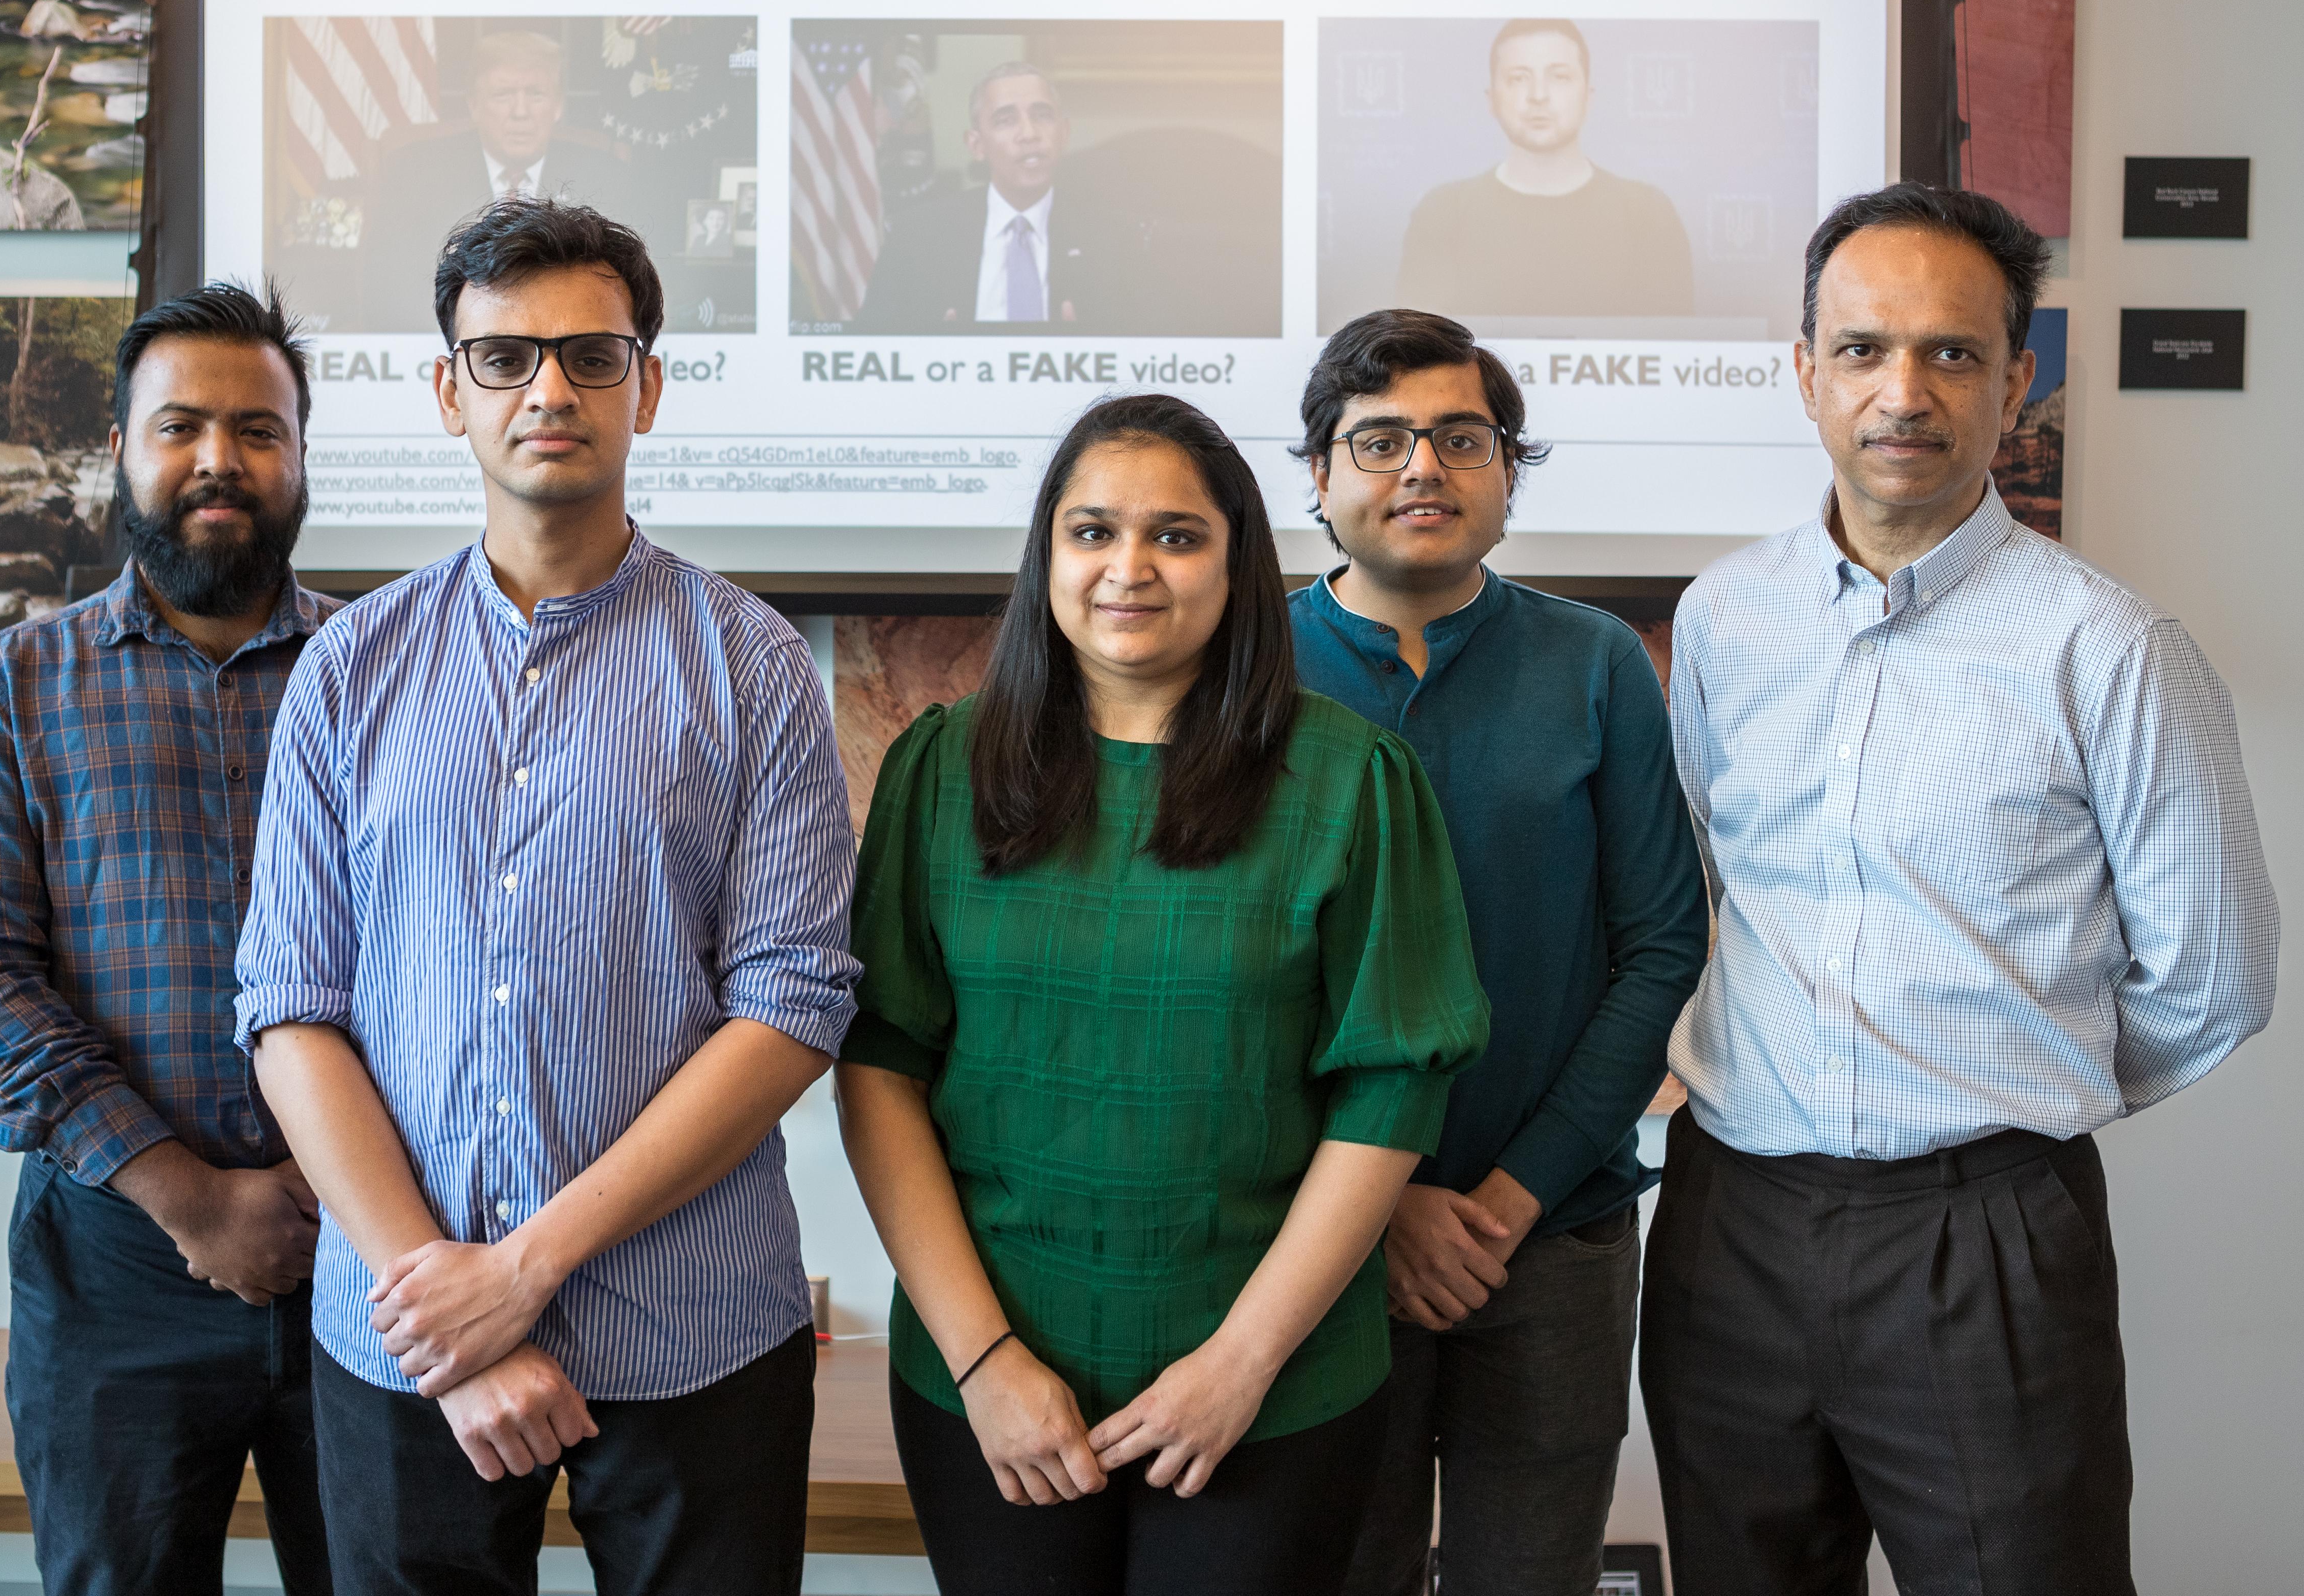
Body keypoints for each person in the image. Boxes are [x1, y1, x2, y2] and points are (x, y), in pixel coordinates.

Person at [1646, 182, 2280, 1595]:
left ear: (2016, 381)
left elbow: (2213, 977)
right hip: (1726, 1228)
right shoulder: (1720, 617)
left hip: (1984, 1237)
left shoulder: (2106, 647)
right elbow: (1707, 883)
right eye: (1862, 349)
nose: (1902, 390)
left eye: (1949, 351)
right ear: (1803, 371)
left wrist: (2005, 1092)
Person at [235, 198, 859, 1595]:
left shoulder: (753, 666)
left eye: (590, 354)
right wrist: (444, 1303)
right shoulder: (348, 670)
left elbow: (792, 1003)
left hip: (691, 1323)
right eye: (506, 358)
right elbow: (290, 1007)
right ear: (449, 390)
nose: (550, 390)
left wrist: (521, 1270)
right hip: (401, 1333)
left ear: (646, 383)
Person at [835, 392, 1491, 1596]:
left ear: (1237, 562)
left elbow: (1390, 1091)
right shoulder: (942, 767)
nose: (1127, 567)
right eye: (1090, 532)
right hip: (991, 1377)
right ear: (1045, 558)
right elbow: (880, 1062)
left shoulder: (1353, 779)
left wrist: (1238, 1362)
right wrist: (984, 1360)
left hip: (1269, 1386)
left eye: (1176, 536)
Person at [1283, 309, 1713, 1596]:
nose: (1423, 467)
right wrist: (1377, 1200)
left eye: (1461, 438)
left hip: (1554, 1237)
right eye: (1381, 440)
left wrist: (1512, 1193)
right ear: (1317, 474)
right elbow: (1218, 978)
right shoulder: (1243, 669)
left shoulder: (1592, 663)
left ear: (1508, 471)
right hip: (1307, 1242)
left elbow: (1660, 945)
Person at [0, 282, 334, 1596]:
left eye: (258, 428)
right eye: (182, 426)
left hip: (371, 1265)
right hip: (113, 1273)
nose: (220, 458)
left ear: (302, 454)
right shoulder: (9, 687)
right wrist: (192, 1194)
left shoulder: (382, 670)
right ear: (119, 449)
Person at [1396, 20, 1693, 320]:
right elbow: (1419, 349)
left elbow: (1670, 348)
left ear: (1588, 97)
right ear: (1492, 100)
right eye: (1518, 79)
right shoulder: (1444, 212)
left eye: (1560, 77)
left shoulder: (1648, 213)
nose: (1539, 95)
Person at [359, 29, 621, 329]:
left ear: (559, 105)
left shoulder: (607, 173)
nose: (520, 112)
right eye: (503, 95)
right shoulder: (415, 173)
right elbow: (384, 285)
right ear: (474, 104)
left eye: (536, 94)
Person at [857, 60, 1125, 332]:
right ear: (977, 145)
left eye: (1042, 115)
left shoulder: (1114, 239)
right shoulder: (916, 238)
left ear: (1064, 133)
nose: (1029, 134)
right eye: (1006, 121)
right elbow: (869, 349)